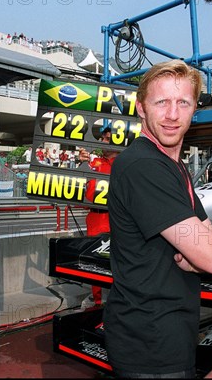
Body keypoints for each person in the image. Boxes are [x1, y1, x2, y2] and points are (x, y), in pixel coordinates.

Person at [104, 59, 212, 378]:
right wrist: (199, 253)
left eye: (183, 102)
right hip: (149, 346)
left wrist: (198, 252)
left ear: (194, 109)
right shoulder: (144, 166)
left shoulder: (174, 167)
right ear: (141, 108)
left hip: (171, 337)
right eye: (162, 103)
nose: (173, 114)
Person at [79, 124, 118, 307]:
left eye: (106, 138)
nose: (102, 141)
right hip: (95, 220)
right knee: (95, 264)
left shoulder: (126, 163)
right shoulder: (94, 162)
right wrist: (81, 163)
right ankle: (97, 303)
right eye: (102, 138)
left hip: (117, 220)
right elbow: (77, 187)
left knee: (116, 264)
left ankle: (116, 303)